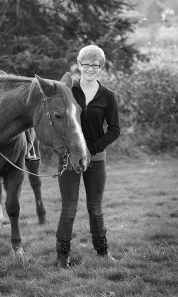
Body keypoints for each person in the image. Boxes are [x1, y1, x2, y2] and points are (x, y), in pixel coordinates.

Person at [56, 45, 120, 268]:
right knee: (69, 208)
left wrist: (91, 149)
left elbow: (114, 129)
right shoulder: (68, 91)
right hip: (68, 158)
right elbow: (57, 123)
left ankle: (102, 253)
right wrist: (71, 149)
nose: (90, 69)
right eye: (86, 64)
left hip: (96, 158)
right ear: (79, 64)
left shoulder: (108, 96)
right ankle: (62, 257)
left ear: (101, 67)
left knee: (95, 207)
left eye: (95, 65)